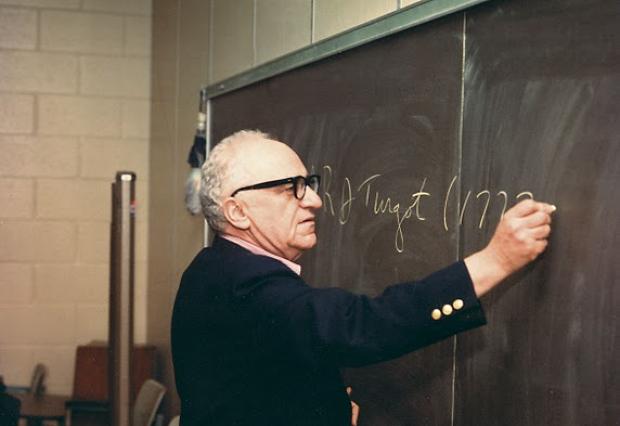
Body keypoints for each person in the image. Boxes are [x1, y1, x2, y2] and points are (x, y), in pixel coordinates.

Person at [171, 130, 555, 426]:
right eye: (291, 189)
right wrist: (495, 261)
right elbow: (360, 326)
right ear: (238, 212)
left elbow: (259, 379)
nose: (315, 201)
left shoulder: (211, 268)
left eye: (309, 184)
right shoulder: (247, 284)